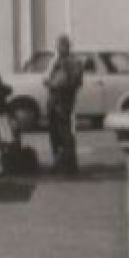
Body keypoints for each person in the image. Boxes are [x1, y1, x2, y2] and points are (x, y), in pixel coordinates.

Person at [45, 35, 85, 174]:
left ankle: (69, 164)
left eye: (61, 45)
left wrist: (54, 82)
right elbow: (46, 79)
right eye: (57, 46)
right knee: (54, 133)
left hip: (63, 100)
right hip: (53, 99)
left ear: (66, 47)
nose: (58, 48)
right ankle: (58, 161)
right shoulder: (55, 61)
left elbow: (73, 82)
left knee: (65, 132)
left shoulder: (73, 62)